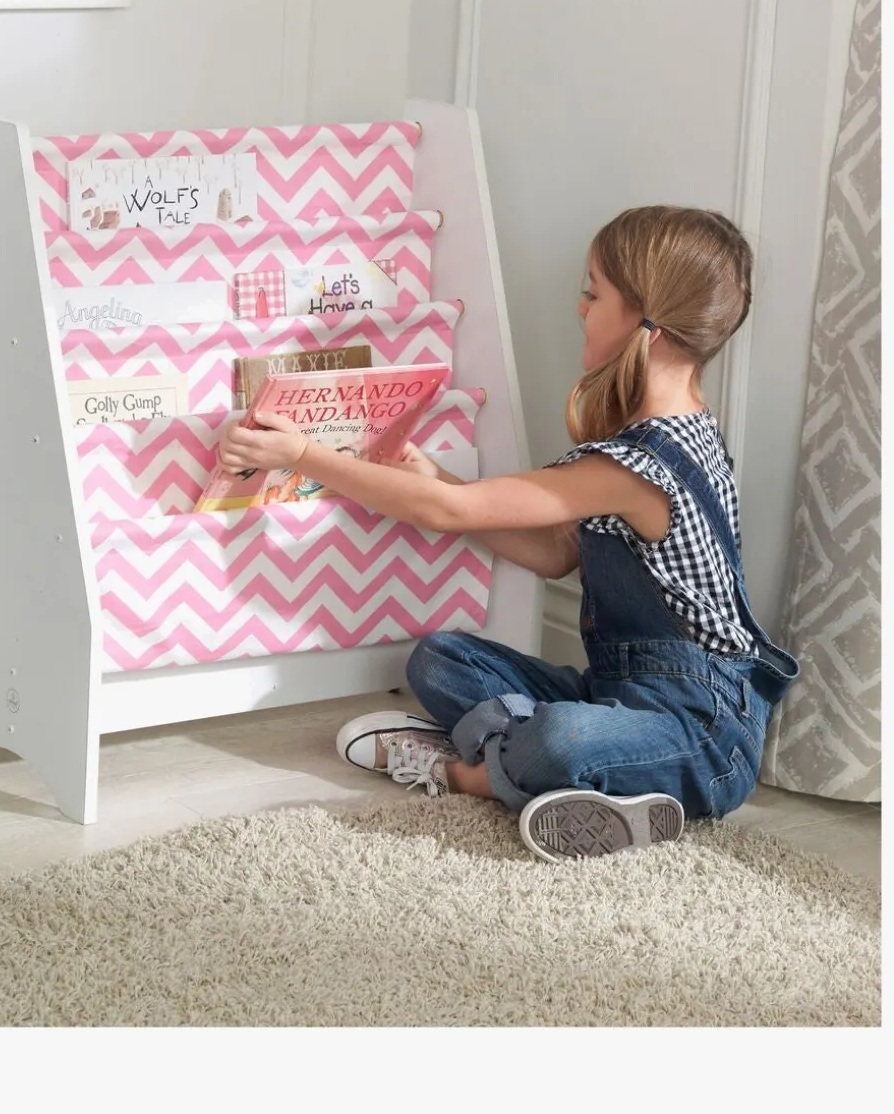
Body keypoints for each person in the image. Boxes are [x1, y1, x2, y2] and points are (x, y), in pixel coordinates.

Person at [217, 205, 799, 864]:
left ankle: (466, 772)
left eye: (593, 293)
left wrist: (303, 455)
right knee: (440, 657)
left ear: (648, 323)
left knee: (560, 738)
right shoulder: (654, 439)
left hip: (705, 735)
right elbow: (554, 554)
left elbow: (446, 512)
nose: (580, 308)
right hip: (620, 694)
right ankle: (580, 783)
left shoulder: (640, 465)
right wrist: (438, 476)